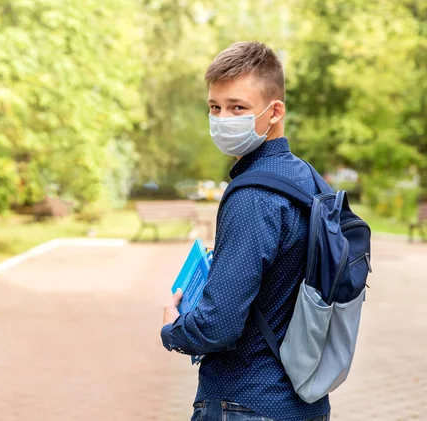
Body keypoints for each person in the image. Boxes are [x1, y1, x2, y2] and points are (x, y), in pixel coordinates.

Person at [160, 41, 331, 421]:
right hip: (306, 402)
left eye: (238, 107)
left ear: (275, 111)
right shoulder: (310, 181)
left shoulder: (253, 196)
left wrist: (174, 328)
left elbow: (218, 326)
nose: (223, 119)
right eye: (214, 107)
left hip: (245, 402)